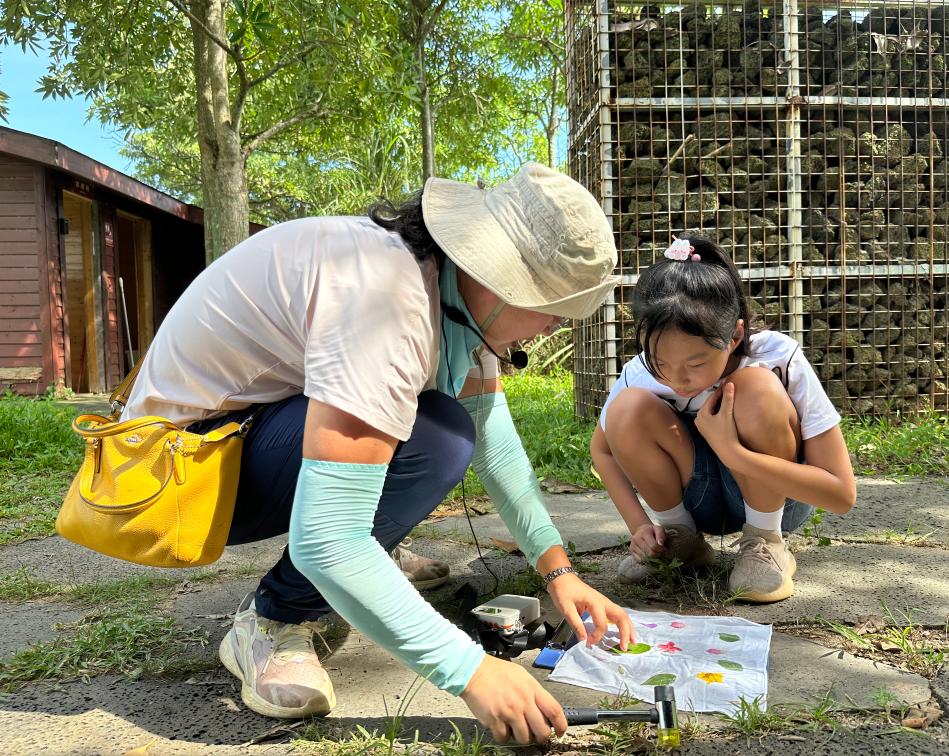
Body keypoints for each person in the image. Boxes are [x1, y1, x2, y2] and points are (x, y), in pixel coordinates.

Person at [120, 162, 635, 743]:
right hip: (174, 479)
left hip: (239, 439)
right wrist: (472, 671)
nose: (552, 328)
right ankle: (275, 618)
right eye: (554, 308)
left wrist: (558, 570)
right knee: (437, 439)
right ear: (499, 278)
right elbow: (327, 538)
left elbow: (493, 441)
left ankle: (371, 556)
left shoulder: (451, 296)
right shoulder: (387, 298)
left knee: (448, 429)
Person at [590, 237, 857, 603]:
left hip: (777, 501)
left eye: (696, 363)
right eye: (660, 362)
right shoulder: (640, 374)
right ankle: (681, 541)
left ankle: (765, 542)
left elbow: (841, 495)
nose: (676, 379)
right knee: (627, 407)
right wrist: (640, 525)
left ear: (735, 335)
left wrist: (734, 454)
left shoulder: (777, 357)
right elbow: (602, 451)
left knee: (755, 387)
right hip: (696, 501)